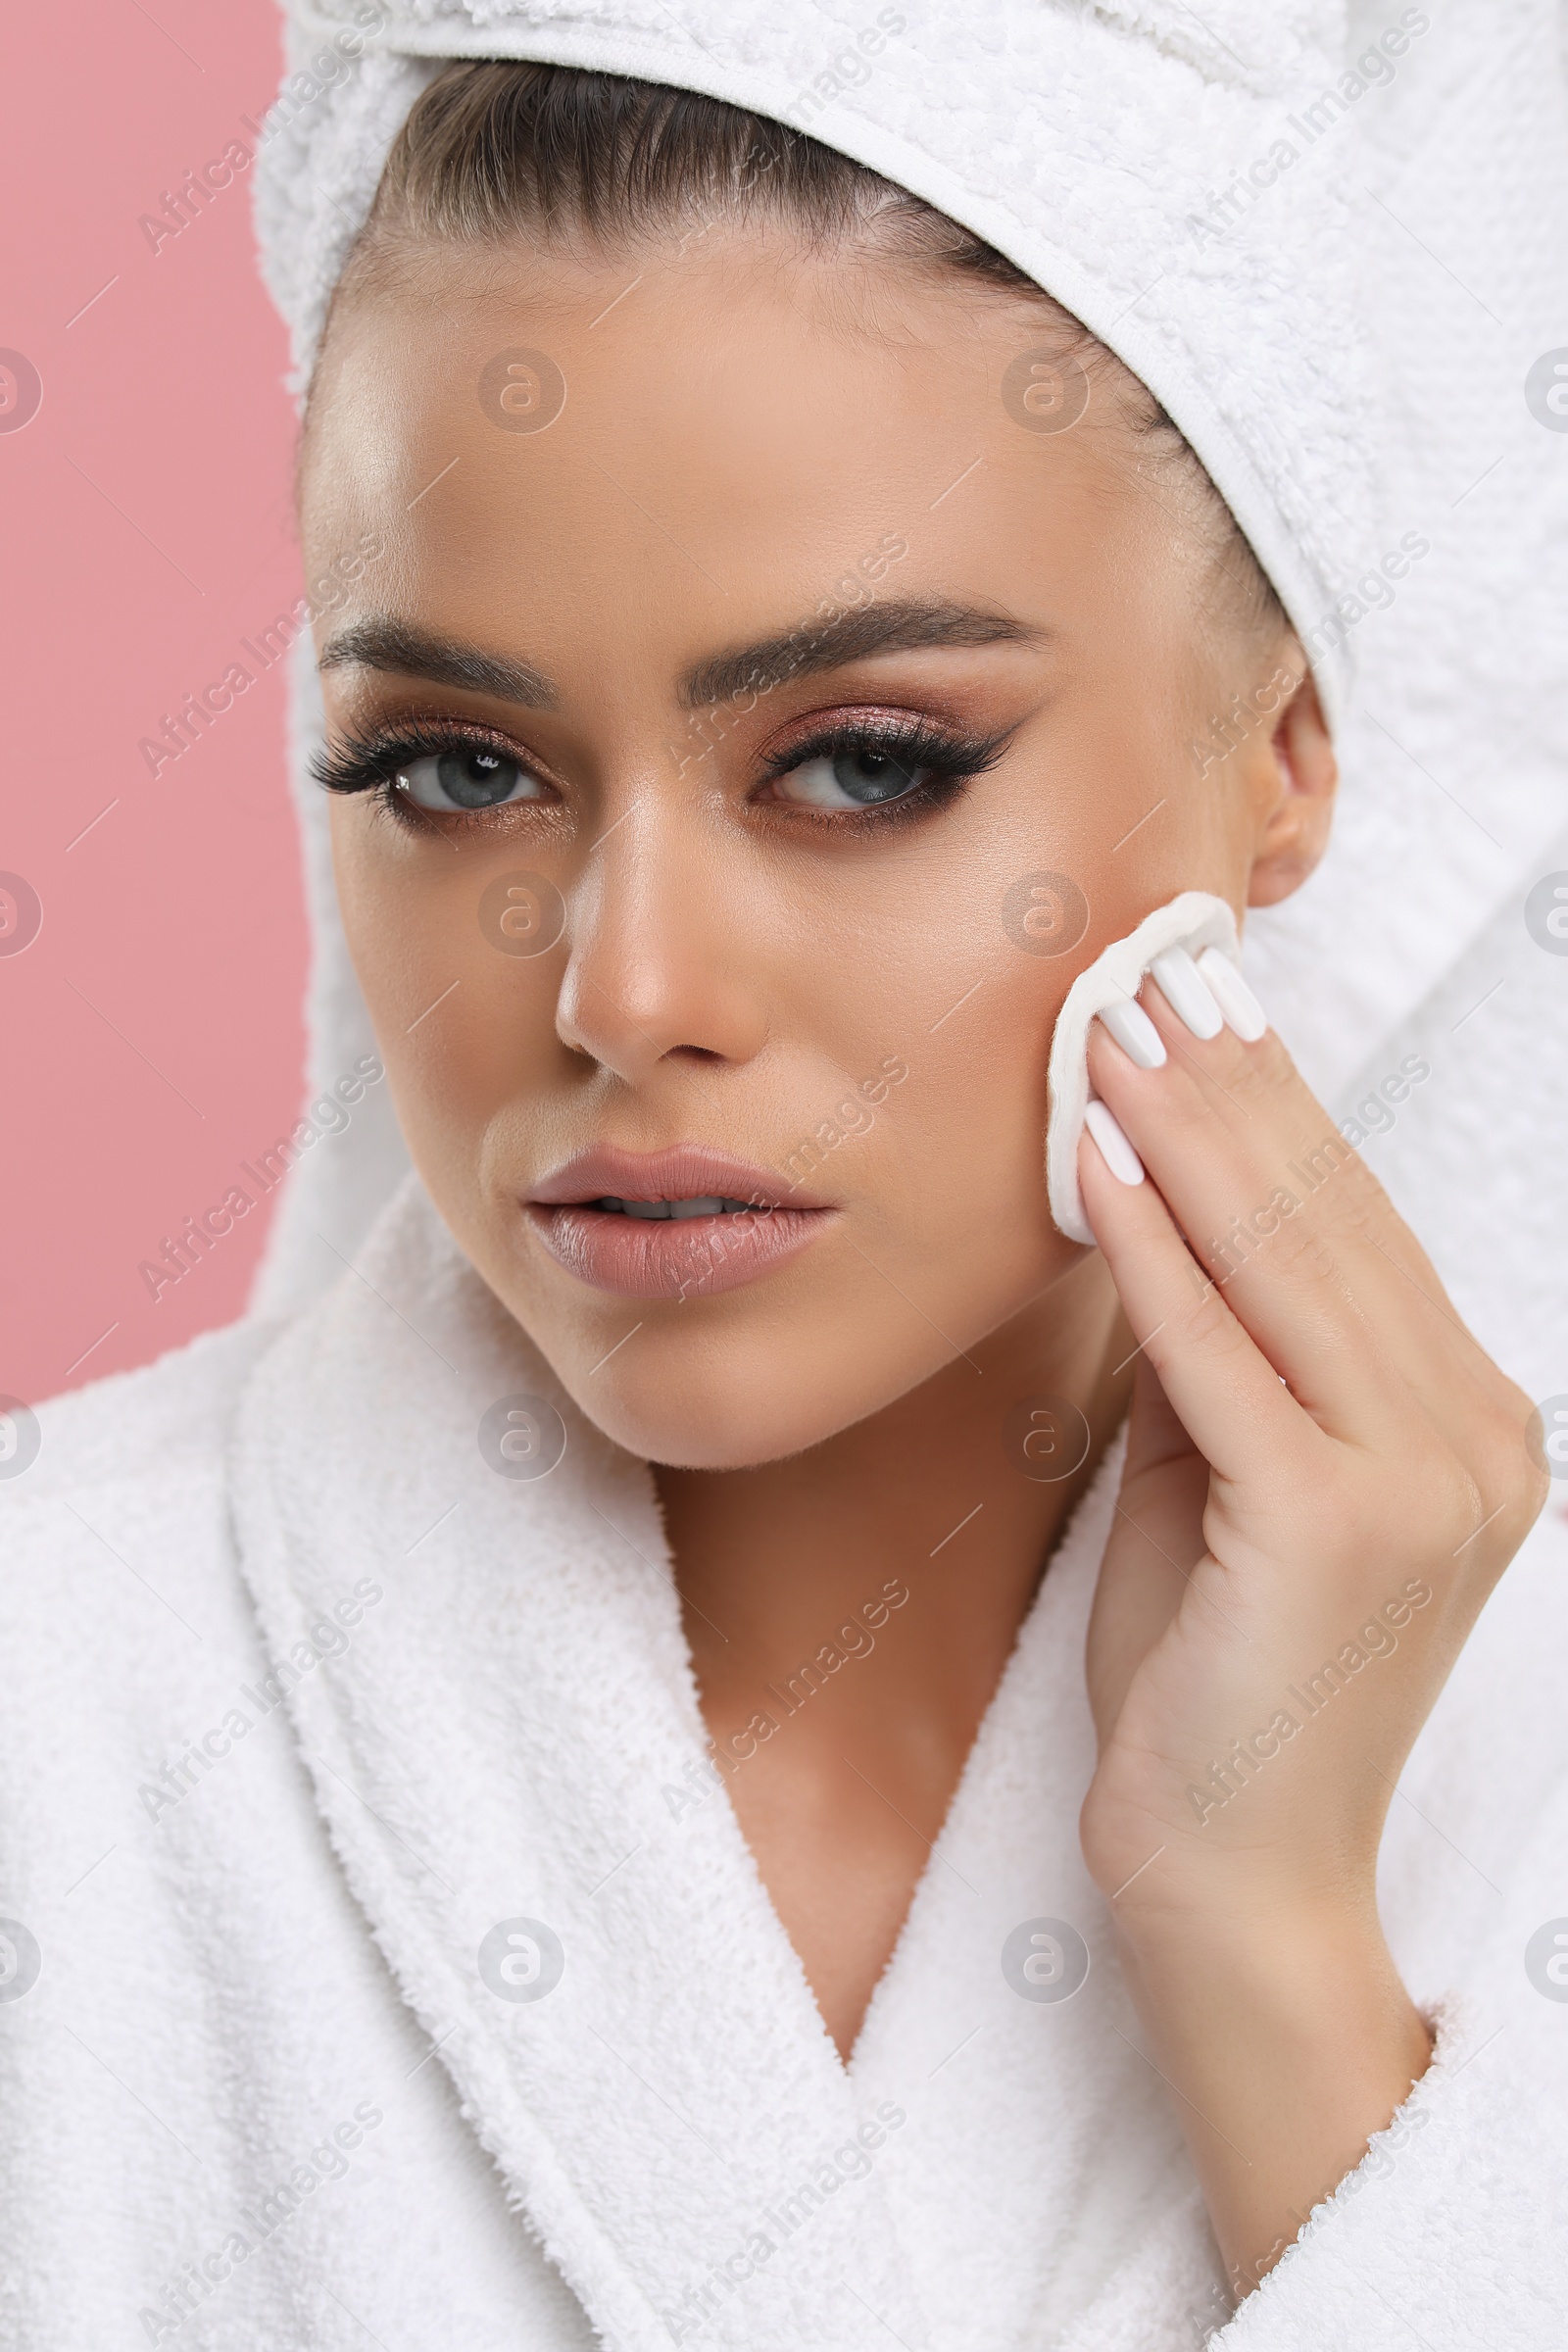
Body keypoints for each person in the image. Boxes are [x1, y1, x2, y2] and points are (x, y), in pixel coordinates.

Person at [4, 13, 1566, 2351]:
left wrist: (1261, 1955)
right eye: (453, 768)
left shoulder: (1517, 1778)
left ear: (1280, 766)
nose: (621, 985)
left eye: (856, 763)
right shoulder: (59, 1707)